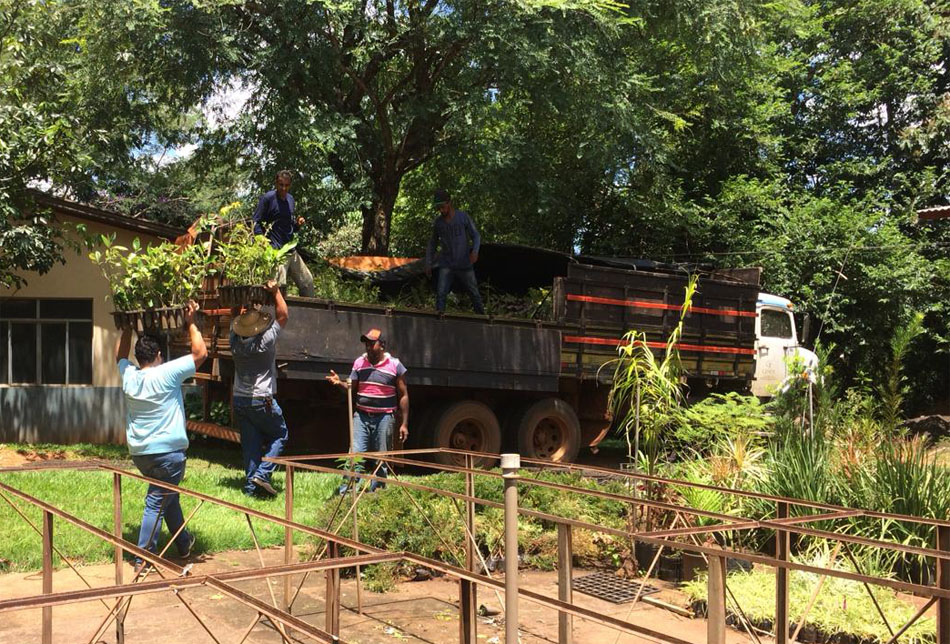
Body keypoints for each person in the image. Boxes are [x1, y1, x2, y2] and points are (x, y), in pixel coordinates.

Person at [116, 301, 207, 568]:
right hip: (168, 455)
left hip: (141, 455)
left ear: (138, 357)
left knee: (169, 497)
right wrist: (191, 321)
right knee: (156, 501)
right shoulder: (167, 373)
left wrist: (126, 329)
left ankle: (183, 543)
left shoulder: (129, 376)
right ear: (157, 354)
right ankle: (143, 558)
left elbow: (119, 358)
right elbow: (200, 354)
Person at [326, 328, 409, 494]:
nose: (368, 346)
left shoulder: (395, 365)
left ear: (382, 345)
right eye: (366, 343)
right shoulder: (359, 363)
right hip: (361, 417)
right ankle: (347, 492)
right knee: (354, 454)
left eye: (372, 343)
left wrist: (404, 423)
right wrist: (339, 383)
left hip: (385, 417)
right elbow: (351, 388)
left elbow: (404, 395)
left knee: (381, 458)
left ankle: (378, 492)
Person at [230, 280, 290, 497]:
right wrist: (275, 293)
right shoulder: (264, 342)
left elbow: (233, 317)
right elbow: (283, 316)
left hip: (240, 399)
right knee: (281, 434)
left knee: (250, 445)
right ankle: (263, 474)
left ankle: (250, 489)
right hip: (261, 399)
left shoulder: (234, 342)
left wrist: (239, 303)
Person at [253, 169, 315, 297]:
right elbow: (256, 222)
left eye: (286, 185)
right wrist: (262, 242)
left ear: (290, 185)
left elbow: (289, 226)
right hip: (276, 252)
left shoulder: (290, 200)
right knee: (279, 288)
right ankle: (277, 316)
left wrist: (298, 225)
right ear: (276, 183)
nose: (284, 188)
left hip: (291, 250)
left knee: (307, 283)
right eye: (281, 184)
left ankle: (307, 315)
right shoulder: (268, 199)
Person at [424, 188, 485, 314]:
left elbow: (476, 236)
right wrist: (428, 262)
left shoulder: (463, 217)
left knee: (474, 293)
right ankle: (439, 320)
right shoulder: (438, 223)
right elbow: (433, 243)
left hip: (464, 263)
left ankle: (482, 319)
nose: (441, 210)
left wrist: (475, 251)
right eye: (438, 208)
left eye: (442, 207)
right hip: (446, 264)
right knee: (441, 293)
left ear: (449, 203)